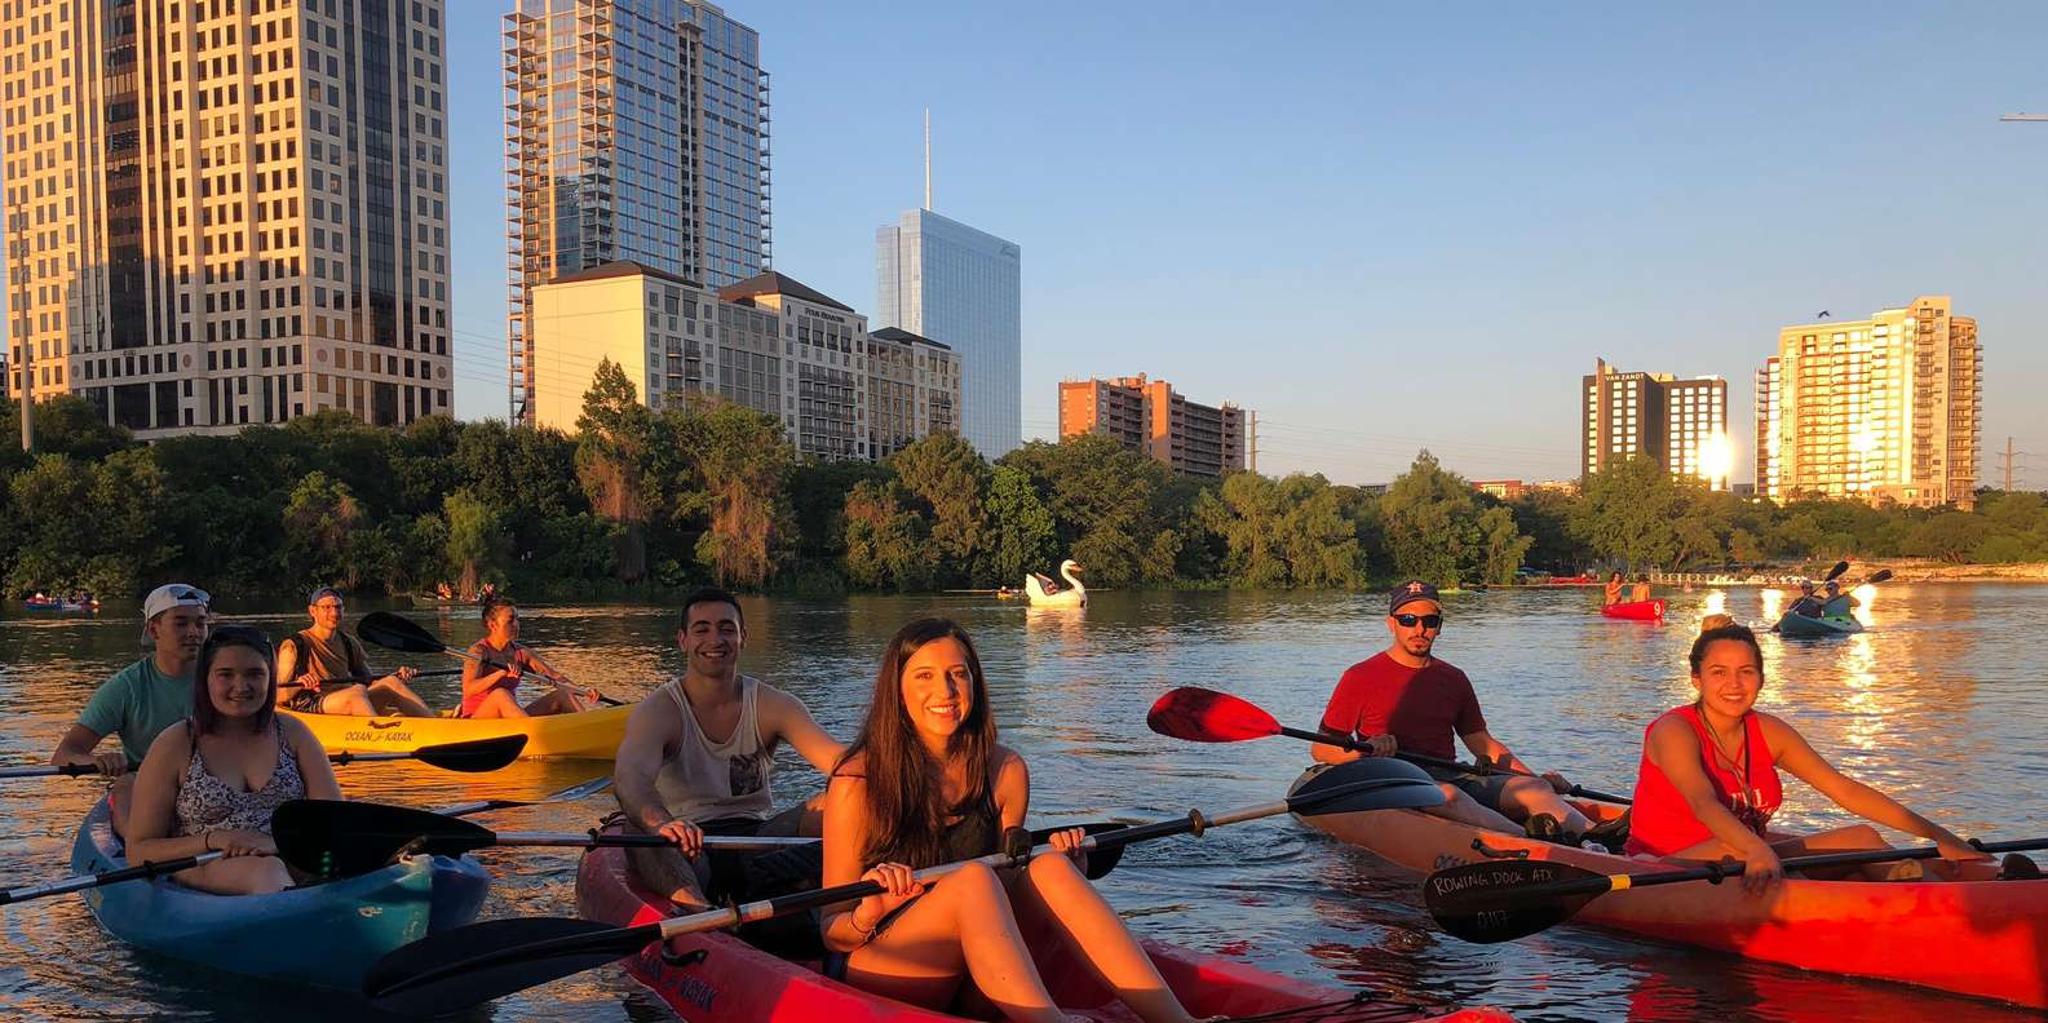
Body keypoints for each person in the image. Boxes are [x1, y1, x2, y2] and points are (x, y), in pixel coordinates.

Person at [819, 618, 1201, 1023]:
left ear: (974, 683)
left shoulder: (1007, 771)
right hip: (888, 964)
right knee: (972, 879)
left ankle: (1176, 1020)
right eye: (924, 676)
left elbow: (1005, 883)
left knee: (1048, 866)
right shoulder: (857, 783)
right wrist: (870, 912)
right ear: (897, 691)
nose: (945, 692)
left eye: (958, 674)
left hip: (979, 974)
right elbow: (830, 929)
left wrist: (1070, 872)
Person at [1624, 623, 2007, 889]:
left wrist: (1940, 835)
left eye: (1747, 672)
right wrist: (1757, 848)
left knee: (1862, 838)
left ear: (1761, 677)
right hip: (1666, 867)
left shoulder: (1768, 730)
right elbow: (1702, 802)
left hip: (1751, 855)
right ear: (1697, 679)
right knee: (1734, 848)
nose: (1734, 685)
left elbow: (1843, 789)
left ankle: (1951, 894)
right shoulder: (1674, 730)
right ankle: (1885, 900)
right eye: (1719, 672)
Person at [1313, 580, 1626, 848]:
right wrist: (1365, 752)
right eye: (1408, 620)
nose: (1419, 629)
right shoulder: (1360, 676)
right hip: (1393, 778)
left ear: (1439, 626)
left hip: (1449, 772)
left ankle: (1595, 837)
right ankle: (1542, 845)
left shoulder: (1454, 678)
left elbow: (1482, 744)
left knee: (1534, 790)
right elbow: (1321, 748)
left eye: (1429, 621)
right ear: (1391, 623)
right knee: (1447, 796)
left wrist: (1537, 778)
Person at [614, 587, 844, 911]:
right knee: (637, 824)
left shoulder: (774, 705)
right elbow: (631, 778)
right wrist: (661, 823)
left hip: (756, 840)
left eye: (726, 629)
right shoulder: (659, 710)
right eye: (702, 629)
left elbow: (842, 764)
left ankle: (852, 909)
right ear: (683, 640)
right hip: (687, 845)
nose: (715, 640)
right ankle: (700, 918)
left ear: (742, 637)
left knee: (841, 801)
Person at [123, 625, 342, 895]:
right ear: (205, 679)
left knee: (332, 868)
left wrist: (276, 844)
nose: (241, 686)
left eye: (255, 674)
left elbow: (334, 823)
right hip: (208, 861)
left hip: (285, 853)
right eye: (225, 675)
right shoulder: (176, 743)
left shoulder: (294, 733)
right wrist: (215, 839)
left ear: (270, 678)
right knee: (266, 872)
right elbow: (139, 850)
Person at [50, 584, 212, 836]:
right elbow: (65, 754)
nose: (194, 632)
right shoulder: (125, 688)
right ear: (153, 630)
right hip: (151, 784)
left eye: (200, 623)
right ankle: (142, 844)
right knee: (126, 783)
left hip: (219, 780)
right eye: (180, 623)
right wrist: (97, 761)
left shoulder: (226, 679)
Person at [275, 587, 431, 717]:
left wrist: (396, 676)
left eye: (338, 607)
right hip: (313, 704)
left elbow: (369, 681)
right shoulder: (293, 646)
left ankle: (433, 724)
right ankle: (380, 734)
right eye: (326, 607)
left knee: (391, 683)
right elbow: (278, 697)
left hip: (349, 699)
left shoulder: (349, 642)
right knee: (356, 693)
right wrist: (300, 684)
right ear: (313, 611)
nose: (334, 613)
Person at [458, 598, 593, 718]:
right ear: (492, 625)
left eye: (517, 619)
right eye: (510, 620)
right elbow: (468, 689)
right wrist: (500, 674)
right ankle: (536, 737)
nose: (516, 624)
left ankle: (592, 729)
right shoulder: (478, 651)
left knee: (563, 694)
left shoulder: (521, 653)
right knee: (501, 694)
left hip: (508, 718)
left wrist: (585, 691)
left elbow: (554, 676)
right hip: (477, 719)